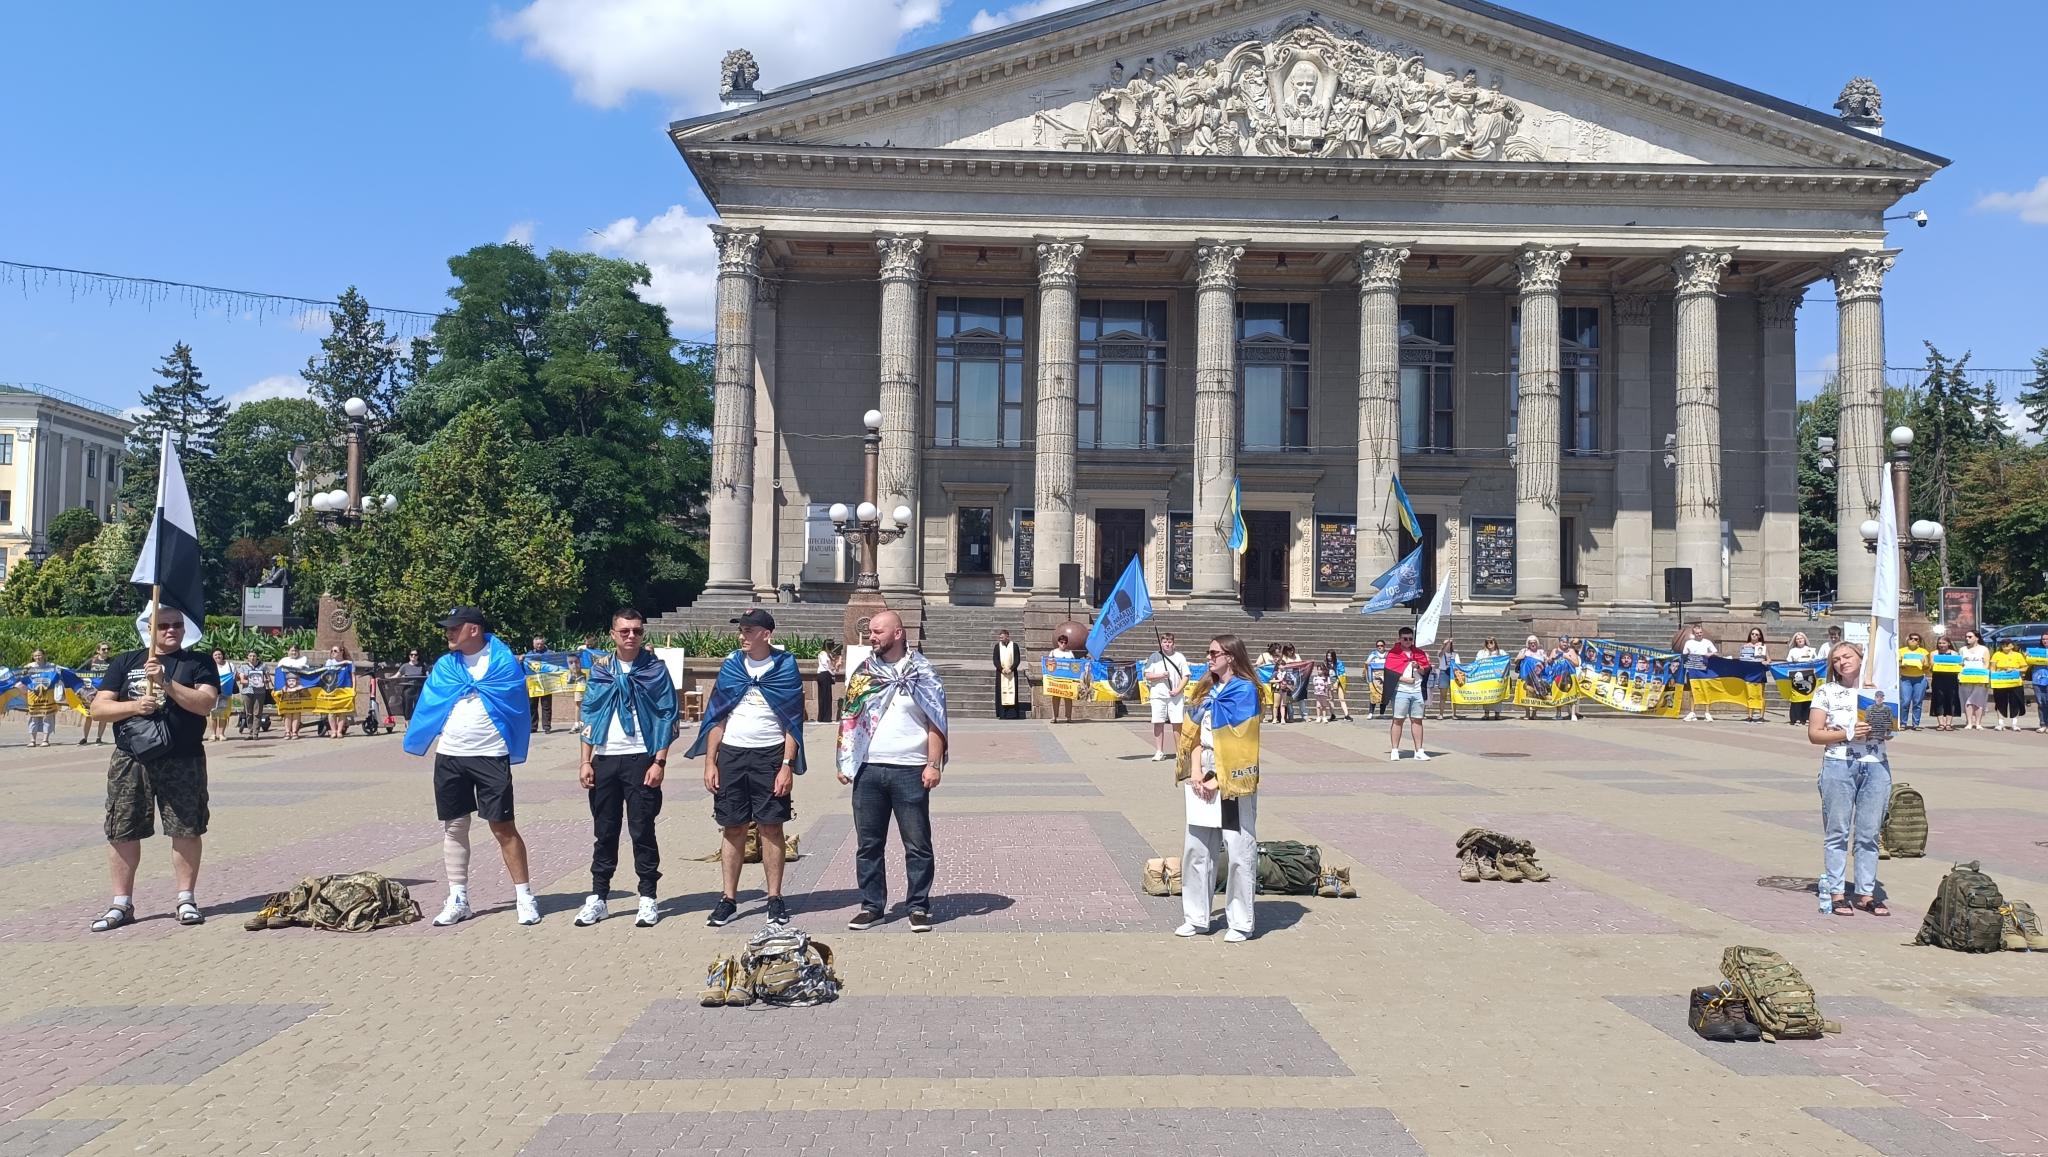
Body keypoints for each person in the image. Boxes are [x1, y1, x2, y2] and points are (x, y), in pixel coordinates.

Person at [402, 606, 540, 927]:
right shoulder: (445, 666)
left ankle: (524, 896)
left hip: (490, 755)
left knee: (502, 827)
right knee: (454, 826)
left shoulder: (503, 663)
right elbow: (432, 703)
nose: (448, 633)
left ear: (474, 629)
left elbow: (516, 704)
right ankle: (458, 898)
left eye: (455, 627)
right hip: (450, 755)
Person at [86, 607, 221, 931]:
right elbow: (98, 708)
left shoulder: (198, 663)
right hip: (132, 759)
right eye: (163, 625)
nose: (171, 630)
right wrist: (134, 705)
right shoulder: (126, 662)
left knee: (186, 828)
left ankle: (186, 899)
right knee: (122, 828)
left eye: (177, 625)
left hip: (184, 758)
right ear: (150, 629)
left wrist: (166, 682)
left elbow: (205, 704)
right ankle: (121, 903)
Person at [685, 608, 806, 928]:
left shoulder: (785, 667)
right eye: (741, 630)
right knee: (733, 827)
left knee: (771, 827)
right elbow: (717, 716)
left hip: (770, 756)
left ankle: (775, 898)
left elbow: (793, 722)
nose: (743, 636)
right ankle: (728, 899)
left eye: (749, 631)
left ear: (767, 634)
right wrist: (710, 762)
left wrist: (786, 765)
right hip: (732, 756)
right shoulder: (731, 666)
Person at [836, 609, 948, 933]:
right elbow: (850, 716)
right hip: (869, 770)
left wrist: (933, 764)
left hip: (910, 770)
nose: (872, 637)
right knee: (868, 844)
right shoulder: (864, 672)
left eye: (878, 632)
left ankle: (918, 906)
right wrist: (844, 760)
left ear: (898, 633)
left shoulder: (923, 672)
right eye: (871, 631)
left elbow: (936, 720)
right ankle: (872, 907)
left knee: (917, 844)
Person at [573, 607, 678, 929]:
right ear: (612, 634)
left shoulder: (655, 670)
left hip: (641, 758)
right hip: (605, 759)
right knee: (604, 831)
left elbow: (667, 714)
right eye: (624, 631)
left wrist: (659, 761)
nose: (631, 636)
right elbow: (590, 713)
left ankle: (648, 897)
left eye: (637, 631)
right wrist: (585, 760)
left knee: (642, 830)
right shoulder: (601, 670)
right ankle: (599, 897)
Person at [1176, 634, 1261, 942]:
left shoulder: (1245, 691)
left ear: (1231, 657)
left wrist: (1218, 779)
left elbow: (1245, 742)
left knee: (1238, 848)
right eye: (1208, 652)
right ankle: (1196, 917)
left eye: (1214, 653)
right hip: (1205, 767)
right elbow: (1193, 733)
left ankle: (1241, 921)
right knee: (1196, 848)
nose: (1208, 658)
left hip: (1234, 774)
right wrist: (1196, 772)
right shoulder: (1204, 690)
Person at [1808, 641, 1890, 918]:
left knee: (1869, 833)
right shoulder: (1827, 691)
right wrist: (1847, 733)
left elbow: (1891, 727)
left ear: (1860, 657)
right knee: (1837, 831)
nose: (1842, 662)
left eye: (1847, 656)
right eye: (1836, 659)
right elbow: (1815, 734)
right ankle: (1837, 892)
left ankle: (1866, 893)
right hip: (1839, 764)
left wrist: (1886, 729)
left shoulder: (1878, 690)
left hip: (1875, 764)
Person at [1384, 627, 1431, 760]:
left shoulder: (1419, 653)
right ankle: (1395, 750)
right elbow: (1389, 673)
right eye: (1405, 639)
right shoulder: (1393, 653)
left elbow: (1425, 670)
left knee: (1417, 720)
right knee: (1398, 719)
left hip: (1417, 691)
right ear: (1399, 639)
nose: (1408, 641)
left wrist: (1418, 667)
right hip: (1401, 691)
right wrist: (1404, 679)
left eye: (1410, 638)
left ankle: (1419, 751)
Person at [1142, 633, 1191, 759]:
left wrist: (1178, 690)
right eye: (1164, 642)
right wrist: (1161, 675)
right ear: (1161, 643)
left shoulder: (1180, 657)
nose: (1167, 644)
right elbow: (1147, 675)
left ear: (1173, 643)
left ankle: (1179, 751)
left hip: (1175, 695)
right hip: (1158, 695)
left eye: (1169, 642)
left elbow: (1186, 676)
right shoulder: (1154, 657)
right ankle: (1159, 751)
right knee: (1158, 722)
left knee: (1177, 723)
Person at [1679, 624, 1719, 722]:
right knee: (1693, 691)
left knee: (1706, 690)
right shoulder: (1689, 642)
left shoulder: (1707, 642)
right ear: (1693, 634)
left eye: (1701, 632)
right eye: (1697, 633)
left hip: (1705, 669)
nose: (1699, 634)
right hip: (1693, 670)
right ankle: (1692, 712)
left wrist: (1710, 654)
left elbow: (1716, 652)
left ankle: (1707, 712)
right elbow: (1684, 654)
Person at [1990, 638, 2029, 731]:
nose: (2004, 646)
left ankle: (2014, 724)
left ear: (2012, 645)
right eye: (2003, 644)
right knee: (2000, 702)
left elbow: (2025, 667)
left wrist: (2015, 670)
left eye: (2007, 644)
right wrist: (1995, 676)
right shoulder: (1997, 654)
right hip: (2000, 681)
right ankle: (2000, 723)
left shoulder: (2018, 655)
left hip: (2015, 682)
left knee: (2015, 702)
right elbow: (1992, 668)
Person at [23, 647, 60, 747]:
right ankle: (32, 740)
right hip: (33, 695)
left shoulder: (51, 666)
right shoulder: (28, 667)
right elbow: (23, 678)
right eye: (35, 656)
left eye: (39, 655)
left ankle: (45, 740)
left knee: (47, 716)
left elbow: (58, 675)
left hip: (47, 695)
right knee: (33, 717)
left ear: (44, 655)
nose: (37, 657)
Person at [78, 642, 113, 745]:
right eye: (103, 649)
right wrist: (85, 681)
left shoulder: (112, 661)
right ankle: (85, 738)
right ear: (98, 650)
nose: (106, 651)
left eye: (108, 649)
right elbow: (79, 671)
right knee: (88, 715)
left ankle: (99, 738)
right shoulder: (92, 661)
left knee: (104, 715)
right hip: (91, 691)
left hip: (105, 690)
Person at [1784, 631, 1820, 728]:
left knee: (1808, 698)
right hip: (1797, 677)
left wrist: (1812, 661)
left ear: (1805, 639)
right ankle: (1796, 718)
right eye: (1797, 638)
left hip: (1809, 676)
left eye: (1801, 638)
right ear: (1795, 641)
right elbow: (1788, 662)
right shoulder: (1793, 651)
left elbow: (1817, 661)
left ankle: (1807, 718)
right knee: (1797, 698)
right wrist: (1794, 662)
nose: (1800, 640)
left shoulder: (1810, 650)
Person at [1958, 629, 1991, 731]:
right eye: (1966, 637)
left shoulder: (1984, 649)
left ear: (1977, 638)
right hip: (1966, 678)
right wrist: (1960, 674)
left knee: (1978, 700)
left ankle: (1978, 723)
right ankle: (1969, 722)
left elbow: (1986, 664)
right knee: (1967, 700)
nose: (1967, 638)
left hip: (1980, 679)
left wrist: (1982, 676)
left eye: (1970, 637)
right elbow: (1960, 664)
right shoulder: (1962, 649)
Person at [1928, 635, 1962, 732]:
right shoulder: (1934, 653)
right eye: (1939, 643)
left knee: (1951, 700)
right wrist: (1934, 664)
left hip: (1951, 679)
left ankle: (1948, 723)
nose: (1941, 645)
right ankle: (1941, 723)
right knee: (1938, 700)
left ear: (1948, 644)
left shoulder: (1955, 654)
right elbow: (1931, 667)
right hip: (1938, 679)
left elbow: (1959, 666)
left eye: (1944, 643)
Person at [1896, 633, 1930, 732]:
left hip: (1919, 679)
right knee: (1905, 701)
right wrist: (1903, 665)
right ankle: (1903, 723)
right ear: (1908, 640)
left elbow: (1927, 667)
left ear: (1919, 642)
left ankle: (1916, 724)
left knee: (1917, 702)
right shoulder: (1901, 651)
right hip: (1905, 679)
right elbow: (1897, 663)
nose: (1913, 640)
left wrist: (1924, 664)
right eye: (1911, 638)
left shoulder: (1923, 652)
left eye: (1916, 639)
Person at [524, 635, 556, 735]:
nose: (539, 646)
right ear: (533, 644)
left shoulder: (550, 653)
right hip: (533, 684)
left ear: (544, 644)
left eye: (541, 644)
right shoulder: (529, 655)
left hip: (546, 683)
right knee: (532, 706)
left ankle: (547, 727)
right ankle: (533, 726)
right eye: (537, 644)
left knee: (546, 706)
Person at [234, 650, 268, 739]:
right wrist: (253, 681)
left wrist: (264, 681)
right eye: (250, 656)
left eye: (254, 656)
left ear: (257, 657)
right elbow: (242, 680)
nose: (252, 658)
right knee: (248, 713)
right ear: (247, 657)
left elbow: (267, 679)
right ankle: (250, 731)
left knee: (257, 712)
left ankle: (255, 733)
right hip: (247, 691)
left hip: (259, 692)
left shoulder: (263, 666)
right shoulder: (243, 666)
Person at [991, 631, 1024, 721]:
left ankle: (1012, 714)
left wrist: (1011, 669)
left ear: (1007, 637)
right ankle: (1002, 713)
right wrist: (1001, 669)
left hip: (1012, 673)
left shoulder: (1014, 646)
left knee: (1012, 692)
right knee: (1001, 692)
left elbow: (1017, 659)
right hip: (1001, 673)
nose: (1000, 639)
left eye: (1002, 637)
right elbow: (995, 660)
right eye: (1000, 637)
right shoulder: (997, 647)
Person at [1046, 631, 1078, 724]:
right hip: (1056, 679)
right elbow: (1049, 665)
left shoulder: (1070, 653)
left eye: (1065, 642)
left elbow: (1074, 665)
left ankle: (1068, 717)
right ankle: (1054, 717)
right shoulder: (1053, 652)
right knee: (1055, 698)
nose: (1063, 644)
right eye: (1062, 642)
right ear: (1058, 642)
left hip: (1067, 679)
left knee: (1068, 698)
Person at [1738, 628, 1769, 723]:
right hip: (1749, 673)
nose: (1754, 636)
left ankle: (1761, 716)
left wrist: (1766, 662)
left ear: (1759, 636)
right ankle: (1750, 716)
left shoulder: (1762, 646)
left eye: (1756, 634)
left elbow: (1769, 659)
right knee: (1749, 695)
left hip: (1759, 673)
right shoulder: (1745, 646)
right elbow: (1742, 659)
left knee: (1760, 695)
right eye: (1752, 634)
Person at [1515, 635, 1547, 721]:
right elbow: (1515, 661)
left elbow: (1546, 663)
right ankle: (1527, 713)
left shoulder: (1541, 652)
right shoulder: (1524, 651)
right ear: (1528, 644)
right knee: (1527, 694)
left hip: (1537, 676)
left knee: (1536, 694)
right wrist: (1519, 658)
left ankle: (1534, 713)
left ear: (1537, 643)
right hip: (1526, 676)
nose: (1533, 644)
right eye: (1530, 643)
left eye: (1534, 643)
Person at [393, 648, 428, 727]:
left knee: (418, 707)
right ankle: (408, 724)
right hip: (408, 689)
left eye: (415, 655)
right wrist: (386, 679)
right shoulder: (405, 666)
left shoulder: (422, 666)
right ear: (409, 656)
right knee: (407, 706)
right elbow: (397, 675)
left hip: (419, 689)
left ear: (418, 656)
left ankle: (416, 724)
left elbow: (428, 676)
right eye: (411, 654)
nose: (413, 656)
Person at [1474, 637, 1506, 720]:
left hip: (1497, 677)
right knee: (1487, 694)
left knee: (1497, 694)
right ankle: (1486, 714)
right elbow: (1477, 662)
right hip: (1486, 677)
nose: (1489, 644)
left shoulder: (1501, 652)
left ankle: (1497, 714)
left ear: (1495, 643)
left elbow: (1506, 662)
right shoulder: (1482, 653)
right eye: (1487, 642)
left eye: (1491, 642)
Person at [208, 648, 234, 741]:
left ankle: (221, 734)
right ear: (212, 657)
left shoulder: (230, 665)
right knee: (213, 714)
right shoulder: (210, 665)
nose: (218, 656)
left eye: (219, 654)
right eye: (215, 655)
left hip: (225, 693)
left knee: (223, 714)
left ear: (223, 655)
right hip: (213, 693)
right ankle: (213, 734)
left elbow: (234, 676)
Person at [1434, 638, 1461, 720]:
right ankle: (1441, 714)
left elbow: (1458, 664)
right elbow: (1441, 655)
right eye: (1445, 644)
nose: (1448, 645)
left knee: (1453, 695)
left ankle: (1454, 714)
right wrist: (1446, 644)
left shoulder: (1455, 654)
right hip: (1443, 673)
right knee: (1443, 695)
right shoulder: (1440, 652)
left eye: (1449, 644)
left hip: (1452, 673)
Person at [1324, 649, 1354, 721]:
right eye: (1328, 656)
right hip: (1329, 681)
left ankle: (1346, 715)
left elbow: (1342, 673)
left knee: (1342, 698)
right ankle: (1332, 714)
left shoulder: (1339, 662)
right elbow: (1324, 673)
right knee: (1330, 699)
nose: (1329, 657)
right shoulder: (1325, 663)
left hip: (1338, 680)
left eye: (1330, 656)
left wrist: (1337, 682)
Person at [1364, 640, 1389, 718]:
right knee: (1373, 695)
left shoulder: (1388, 655)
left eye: (1381, 645)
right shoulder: (1373, 655)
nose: (1380, 647)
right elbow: (1367, 663)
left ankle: (1382, 713)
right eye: (1378, 646)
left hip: (1386, 678)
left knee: (1384, 696)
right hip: (1375, 678)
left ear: (1384, 646)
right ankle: (1371, 713)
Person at [280, 671, 305, 740]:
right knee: (287, 718)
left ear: (297, 681)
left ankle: (294, 731)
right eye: (289, 681)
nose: (291, 682)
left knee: (296, 718)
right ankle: (287, 732)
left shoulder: (300, 687)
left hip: (297, 707)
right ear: (287, 681)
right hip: (287, 707)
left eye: (293, 681)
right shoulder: (284, 688)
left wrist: (301, 690)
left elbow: (306, 696)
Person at [2032, 632, 2048, 735]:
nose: (2045, 641)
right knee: (2041, 703)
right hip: (2038, 679)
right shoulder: (2036, 651)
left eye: (2047, 639)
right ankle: (2043, 725)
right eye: (2043, 639)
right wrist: (2027, 656)